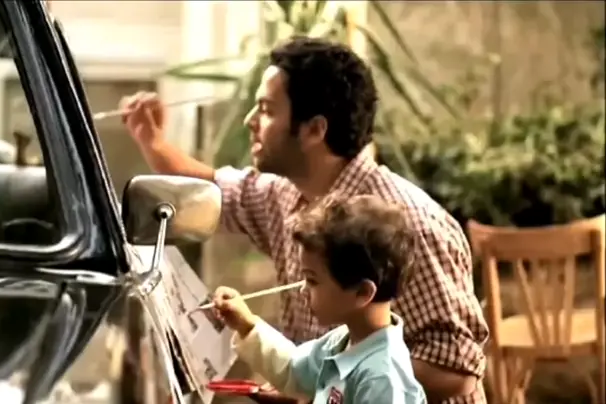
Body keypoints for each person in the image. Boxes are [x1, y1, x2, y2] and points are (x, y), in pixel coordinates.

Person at [120, 36, 489, 403]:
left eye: (266, 110)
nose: (250, 121)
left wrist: (333, 387)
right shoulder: (283, 194)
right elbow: (206, 191)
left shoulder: (412, 225)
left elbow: (457, 370)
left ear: (314, 129)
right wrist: (151, 141)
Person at [212, 194, 427, 404]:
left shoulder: (382, 380)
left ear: (362, 292)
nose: (303, 289)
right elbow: (295, 370)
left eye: (312, 280)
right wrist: (246, 324)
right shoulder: (344, 340)